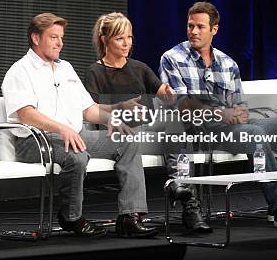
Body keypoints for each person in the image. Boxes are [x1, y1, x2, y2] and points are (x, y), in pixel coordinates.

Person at [159, 1, 277, 230]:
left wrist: (238, 114)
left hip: (230, 128)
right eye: (190, 26)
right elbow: (181, 104)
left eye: (200, 27)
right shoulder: (172, 59)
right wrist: (220, 113)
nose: (193, 31)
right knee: (254, 134)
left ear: (214, 29)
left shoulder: (228, 64)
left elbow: (240, 106)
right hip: (199, 130)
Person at [2, 13, 157, 238]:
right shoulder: (20, 70)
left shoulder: (65, 69)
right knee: (77, 154)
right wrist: (61, 128)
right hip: (35, 140)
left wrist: (116, 112)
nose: (60, 43)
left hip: (75, 135)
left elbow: (90, 110)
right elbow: (26, 114)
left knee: (127, 140)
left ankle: (129, 217)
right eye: (53, 37)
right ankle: (71, 217)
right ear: (36, 38)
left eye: (61, 37)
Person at [84, 12, 212, 233]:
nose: (127, 44)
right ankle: (186, 201)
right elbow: (93, 111)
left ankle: (186, 197)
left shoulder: (139, 68)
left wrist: (169, 93)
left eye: (130, 37)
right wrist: (122, 106)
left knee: (175, 122)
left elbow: (163, 91)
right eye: (120, 38)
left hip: (148, 132)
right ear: (105, 40)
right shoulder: (95, 71)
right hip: (119, 135)